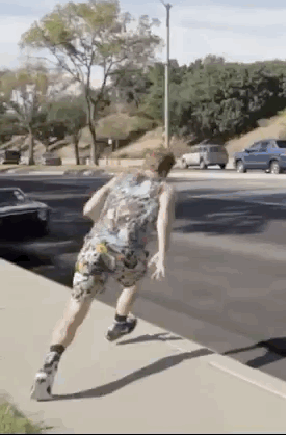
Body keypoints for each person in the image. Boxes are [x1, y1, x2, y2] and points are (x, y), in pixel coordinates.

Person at [30, 150, 177, 401]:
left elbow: (88, 210)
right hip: (127, 253)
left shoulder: (120, 178)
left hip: (94, 249)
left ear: (145, 162)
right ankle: (120, 321)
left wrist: (108, 226)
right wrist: (162, 253)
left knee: (74, 310)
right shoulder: (164, 189)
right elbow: (163, 221)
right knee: (131, 284)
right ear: (167, 169)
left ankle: (49, 364)